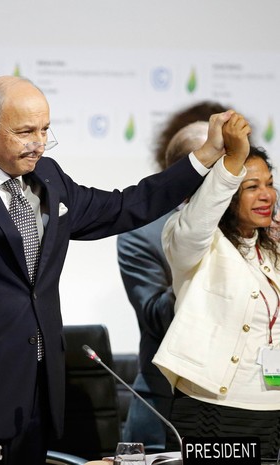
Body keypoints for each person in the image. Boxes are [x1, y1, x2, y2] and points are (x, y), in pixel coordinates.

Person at [0, 75, 236, 464]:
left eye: (44, 130)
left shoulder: (50, 178)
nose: (38, 142)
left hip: (41, 391)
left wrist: (205, 156)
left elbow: (129, 205)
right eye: (25, 132)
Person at [154, 114, 280, 458]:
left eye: (269, 184)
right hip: (212, 407)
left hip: (273, 409)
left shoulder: (271, 247)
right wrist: (233, 160)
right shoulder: (191, 240)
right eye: (251, 187)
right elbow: (199, 220)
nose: (266, 194)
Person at [116, 100, 228, 451]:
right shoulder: (142, 231)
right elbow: (156, 316)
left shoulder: (258, 223)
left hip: (247, 402)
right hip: (167, 409)